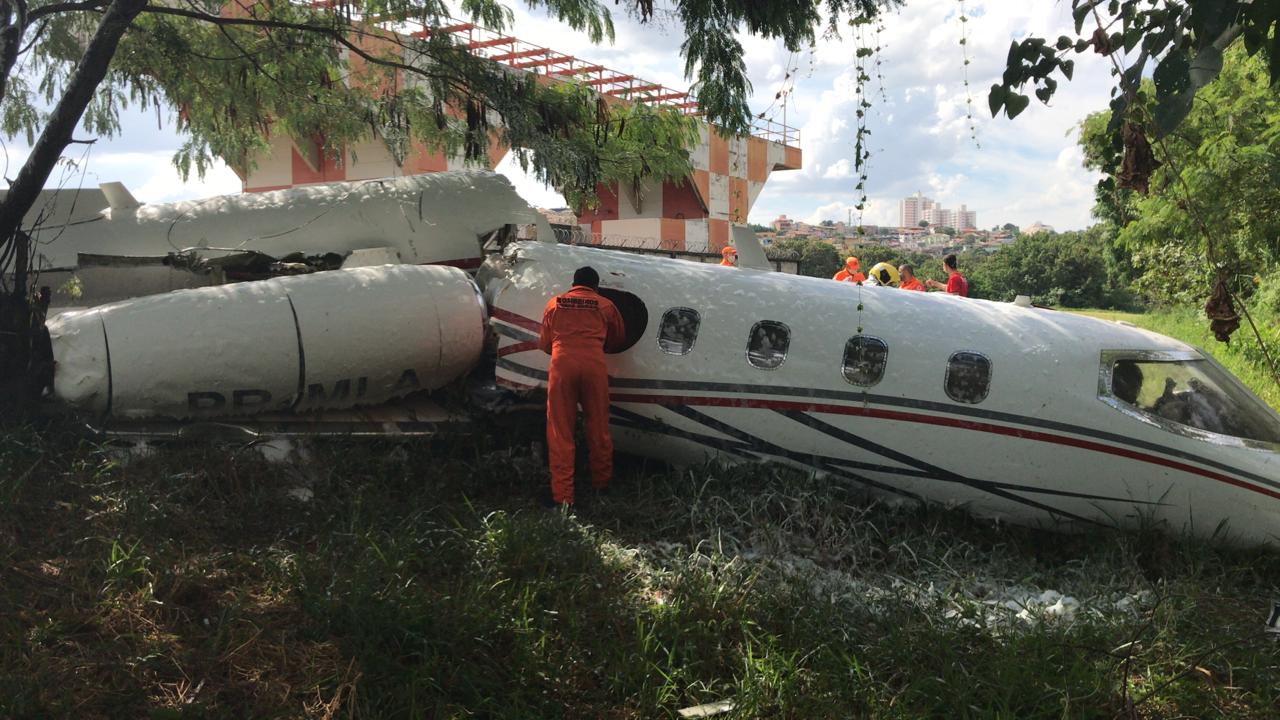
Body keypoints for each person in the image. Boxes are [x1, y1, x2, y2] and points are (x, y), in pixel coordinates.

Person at [538, 266, 626, 507]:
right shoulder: (605, 305)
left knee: (560, 431)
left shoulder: (554, 303)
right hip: (594, 366)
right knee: (598, 427)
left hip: (562, 365)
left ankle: (563, 497)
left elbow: (545, 343)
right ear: (595, 286)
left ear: (573, 283)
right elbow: (618, 339)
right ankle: (601, 485)